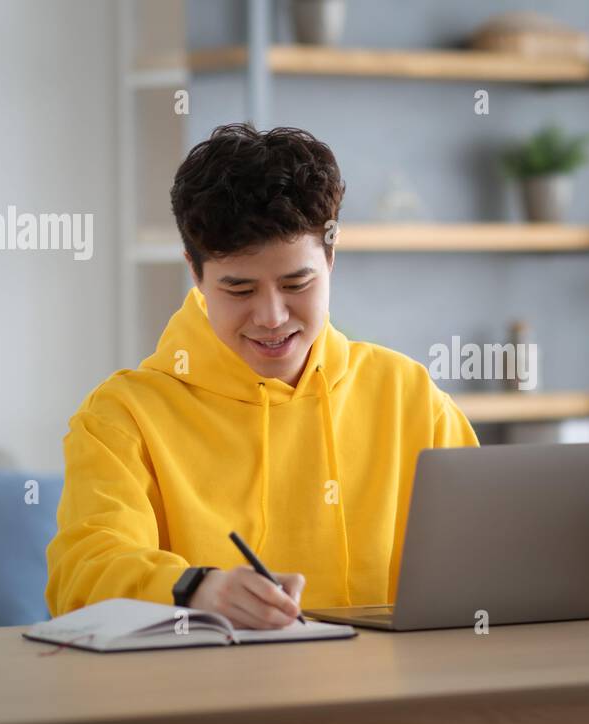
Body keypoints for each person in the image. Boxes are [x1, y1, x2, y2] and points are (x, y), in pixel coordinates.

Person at [45, 124, 479, 628]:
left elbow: (489, 554)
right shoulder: (123, 416)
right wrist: (196, 590)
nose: (272, 316)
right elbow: (83, 572)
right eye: (240, 290)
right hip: (214, 701)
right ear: (196, 272)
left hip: (392, 698)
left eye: (296, 282)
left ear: (331, 257)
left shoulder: (410, 396)